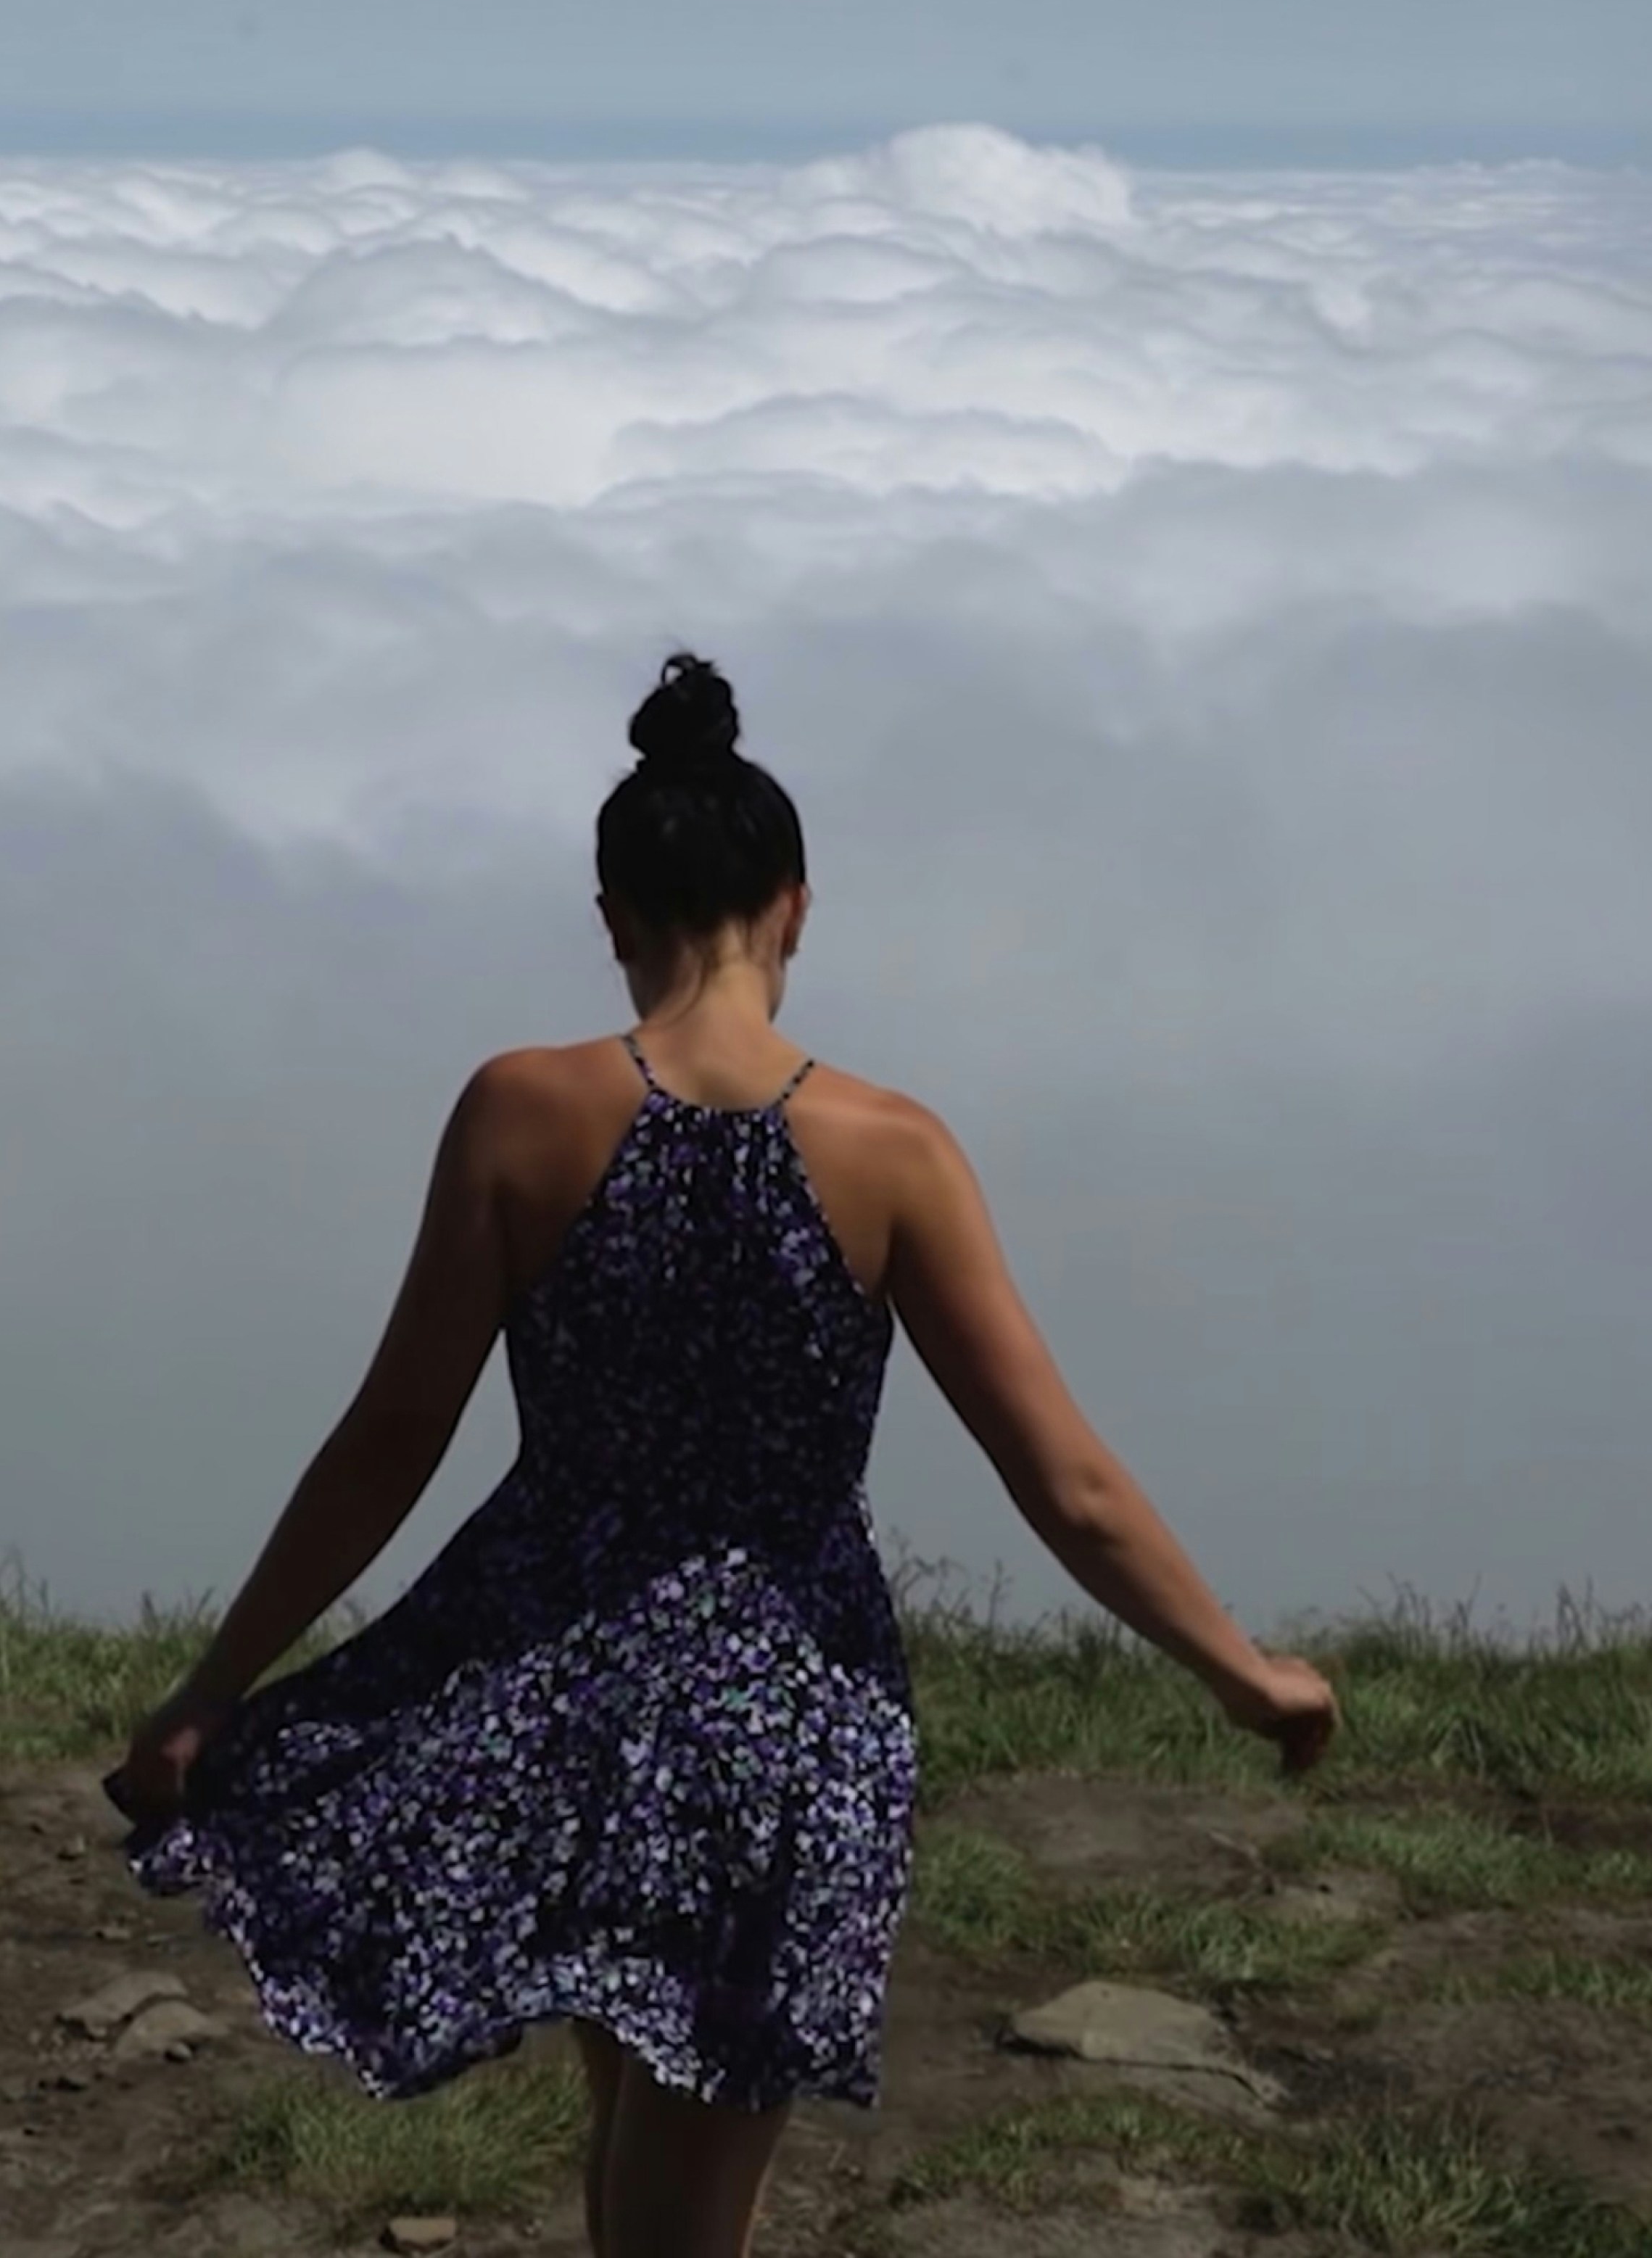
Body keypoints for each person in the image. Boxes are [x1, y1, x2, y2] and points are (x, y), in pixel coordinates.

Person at [112, 648, 1339, 2258]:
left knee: (637, 2154)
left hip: (557, 1695)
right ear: (799, 907)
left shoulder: (513, 1114)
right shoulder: (893, 1153)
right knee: (677, 2208)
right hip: (781, 1723)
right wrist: (1242, 1674)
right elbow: (1071, 1486)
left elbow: (392, 1438)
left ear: (614, 920)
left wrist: (222, 1682)